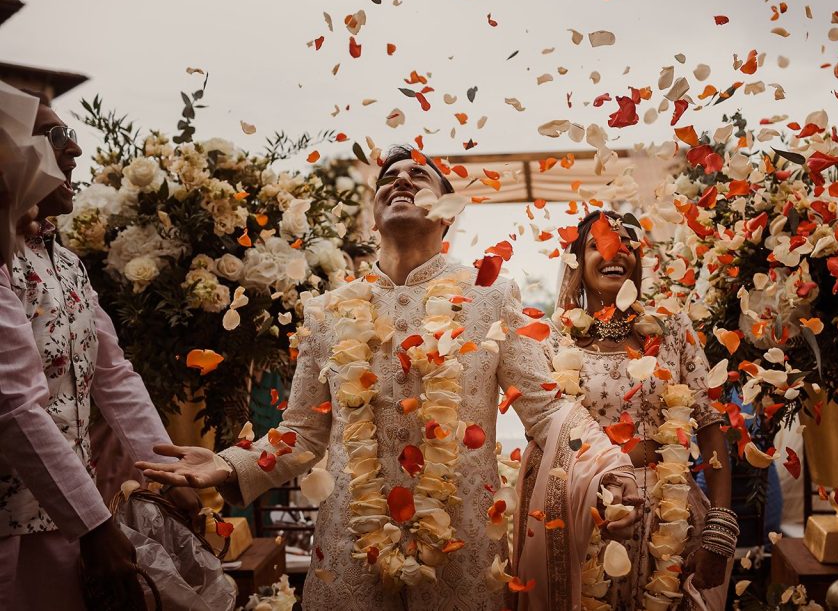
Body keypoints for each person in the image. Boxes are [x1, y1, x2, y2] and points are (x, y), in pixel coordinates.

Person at [137, 146, 639, 610]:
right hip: (349, 552)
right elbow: (303, 434)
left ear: (449, 211)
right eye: (388, 178)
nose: (400, 180)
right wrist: (226, 465)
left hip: (459, 553)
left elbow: (544, 407)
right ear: (374, 212)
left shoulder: (491, 297)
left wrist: (607, 465)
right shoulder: (328, 310)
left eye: (419, 175)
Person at [0, 91, 201, 609]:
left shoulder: (66, 263)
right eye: (56, 137)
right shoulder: (1, 260)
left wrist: (167, 471)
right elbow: (14, 404)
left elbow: (113, 373)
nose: (75, 150)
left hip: (67, 511)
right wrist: (93, 526)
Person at [514, 210, 734, 610]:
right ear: (576, 260)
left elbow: (710, 423)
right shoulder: (553, 340)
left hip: (672, 519)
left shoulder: (672, 327)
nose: (616, 252)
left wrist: (720, 529)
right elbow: (545, 437)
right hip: (586, 517)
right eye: (598, 243)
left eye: (626, 243)